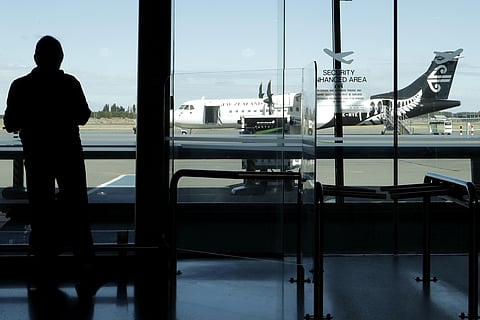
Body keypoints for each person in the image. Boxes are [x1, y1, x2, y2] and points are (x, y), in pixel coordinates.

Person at [4, 35, 101, 297]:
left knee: (41, 211)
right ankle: (86, 266)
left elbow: (11, 123)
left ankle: (43, 267)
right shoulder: (69, 84)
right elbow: (83, 116)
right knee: (78, 210)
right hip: (68, 153)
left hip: (37, 155)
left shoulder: (20, 86)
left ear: (36, 58)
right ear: (60, 59)